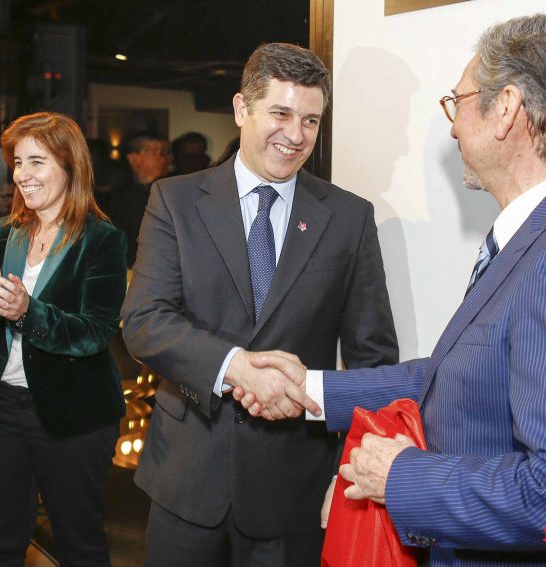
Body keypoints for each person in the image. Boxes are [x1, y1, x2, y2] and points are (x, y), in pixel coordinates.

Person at [237, 15, 546, 566]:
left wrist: (401, 476)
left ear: (506, 108)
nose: (454, 128)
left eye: (457, 102)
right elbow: (455, 375)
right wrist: (311, 388)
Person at [121, 43, 398, 567]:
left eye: (311, 120)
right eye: (280, 113)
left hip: (295, 490)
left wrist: (347, 471)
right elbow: (144, 321)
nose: (295, 135)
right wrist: (236, 367)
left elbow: (373, 360)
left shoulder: (349, 219)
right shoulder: (175, 201)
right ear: (241, 109)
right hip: (187, 479)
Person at [0, 111, 128, 566]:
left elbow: (94, 333)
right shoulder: (2, 234)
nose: (22, 175)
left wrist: (27, 311)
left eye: (36, 162)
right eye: (17, 162)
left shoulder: (101, 240)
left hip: (74, 413)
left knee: (79, 546)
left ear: (70, 166)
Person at [98, 132, 170, 267]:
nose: (164, 159)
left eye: (165, 153)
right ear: (134, 158)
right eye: (156, 153)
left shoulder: (171, 193)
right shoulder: (115, 198)